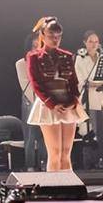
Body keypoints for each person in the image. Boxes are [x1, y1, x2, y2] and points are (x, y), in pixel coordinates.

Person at [27, 17, 88, 171]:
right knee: (55, 153)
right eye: (51, 36)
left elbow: (73, 82)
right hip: (49, 105)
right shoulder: (34, 57)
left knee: (66, 153)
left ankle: (67, 184)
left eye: (58, 36)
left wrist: (74, 101)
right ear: (42, 35)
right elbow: (36, 84)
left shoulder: (67, 55)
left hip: (67, 104)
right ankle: (53, 185)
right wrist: (52, 104)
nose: (55, 40)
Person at [75, 30, 103, 168]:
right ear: (84, 43)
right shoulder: (80, 59)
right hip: (89, 99)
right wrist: (98, 84)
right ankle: (91, 162)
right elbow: (81, 81)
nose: (94, 44)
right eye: (90, 41)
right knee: (91, 131)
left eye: (96, 41)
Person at [15, 32, 45, 170]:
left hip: (44, 101)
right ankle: (30, 165)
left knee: (44, 135)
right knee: (30, 135)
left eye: (39, 46)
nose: (37, 49)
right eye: (34, 46)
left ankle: (44, 163)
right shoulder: (21, 63)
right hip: (30, 100)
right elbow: (25, 85)